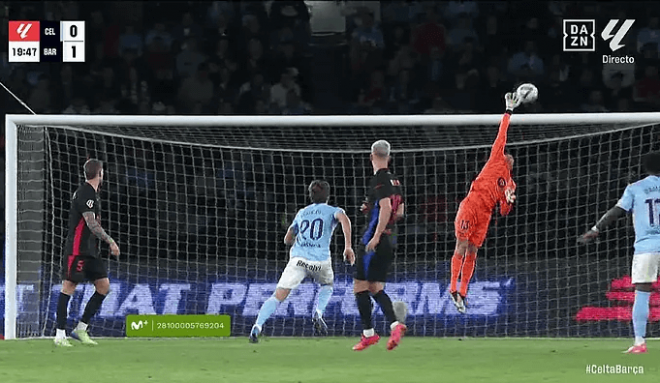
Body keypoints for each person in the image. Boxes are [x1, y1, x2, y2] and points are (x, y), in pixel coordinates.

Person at [249, 181, 354, 343]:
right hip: (320, 261)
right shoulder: (333, 210)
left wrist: (296, 239)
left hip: (298, 260)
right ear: (328, 195)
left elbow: (288, 238)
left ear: (310, 195)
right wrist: (348, 246)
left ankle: (257, 326)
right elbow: (344, 220)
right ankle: (318, 312)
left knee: (278, 296)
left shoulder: (302, 213)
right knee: (327, 285)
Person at [578, 152, 660, 354]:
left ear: (645, 168)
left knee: (642, 292)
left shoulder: (635, 188)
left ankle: (640, 342)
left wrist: (595, 230)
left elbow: (616, 211)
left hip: (646, 246)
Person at [450, 93, 521, 313]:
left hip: (486, 214)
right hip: (471, 204)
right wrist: (508, 110)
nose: (510, 156)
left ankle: (463, 292)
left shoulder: (510, 184)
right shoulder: (496, 158)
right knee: (461, 245)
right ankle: (453, 286)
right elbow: (502, 133)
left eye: (512, 158)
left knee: (473, 250)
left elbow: (503, 211)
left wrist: (509, 201)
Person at [54, 159, 120, 347]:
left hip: (91, 250)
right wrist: (110, 241)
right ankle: (60, 334)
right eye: (103, 172)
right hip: (78, 250)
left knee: (103, 286)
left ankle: (81, 328)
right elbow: (91, 223)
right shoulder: (85, 194)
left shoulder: (93, 194)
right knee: (68, 287)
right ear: (100, 173)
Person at [352, 140, 406, 351]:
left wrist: (375, 235)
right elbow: (399, 212)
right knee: (375, 287)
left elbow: (385, 208)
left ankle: (369, 334)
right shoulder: (396, 182)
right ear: (389, 157)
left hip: (374, 239)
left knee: (359, 286)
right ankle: (395, 325)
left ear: (371, 156)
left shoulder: (379, 179)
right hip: (391, 240)